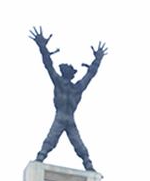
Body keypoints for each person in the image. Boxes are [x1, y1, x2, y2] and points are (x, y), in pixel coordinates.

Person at [30, 26, 106, 171]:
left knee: (77, 143)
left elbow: (90, 75)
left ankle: (87, 164)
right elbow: (48, 65)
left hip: (68, 118)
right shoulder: (60, 83)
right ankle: (41, 157)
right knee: (51, 139)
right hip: (61, 117)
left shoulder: (76, 88)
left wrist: (97, 60)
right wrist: (42, 48)